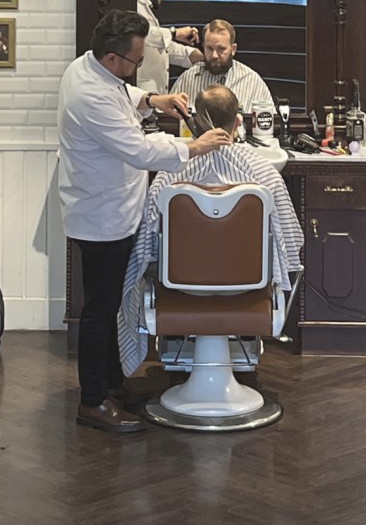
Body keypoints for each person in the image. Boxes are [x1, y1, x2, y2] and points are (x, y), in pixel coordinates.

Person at [57, 9, 232, 432]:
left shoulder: (89, 67)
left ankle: (113, 384)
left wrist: (153, 100)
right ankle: (93, 401)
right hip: (102, 215)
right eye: (136, 63)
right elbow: (139, 152)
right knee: (99, 310)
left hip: (112, 206)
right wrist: (194, 147)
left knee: (111, 302)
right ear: (114, 57)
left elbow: (123, 92)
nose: (137, 70)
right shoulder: (89, 96)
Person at [117, 86, 303, 377]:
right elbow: (290, 244)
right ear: (238, 122)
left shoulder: (171, 174)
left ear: (194, 123)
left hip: (180, 288)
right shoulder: (264, 174)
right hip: (248, 290)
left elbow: (145, 250)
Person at [171, 19, 278, 143]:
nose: (214, 55)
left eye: (221, 49)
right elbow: (168, 119)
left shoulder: (252, 81)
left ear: (233, 49)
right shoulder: (188, 78)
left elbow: (269, 127)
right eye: (209, 48)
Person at [134, 0, 198, 94]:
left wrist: (191, 54)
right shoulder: (132, 5)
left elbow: (161, 47)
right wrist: (175, 33)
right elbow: (145, 35)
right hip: (140, 94)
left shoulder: (145, 7)